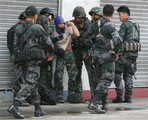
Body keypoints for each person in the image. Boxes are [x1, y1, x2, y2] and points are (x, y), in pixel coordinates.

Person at [7, 5, 54, 119]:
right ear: (35, 15)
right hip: (33, 59)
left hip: (22, 60)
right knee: (31, 83)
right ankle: (15, 105)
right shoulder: (37, 27)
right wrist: (50, 52)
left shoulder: (18, 28)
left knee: (34, 84)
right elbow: (48, 42)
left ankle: (38, 108)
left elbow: (15, 46)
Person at [87, 4, 122, 114]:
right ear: (112, 13)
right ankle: (94, 102)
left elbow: (85, 36)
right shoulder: (110, 26)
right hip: (107, 56)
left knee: (100, 79)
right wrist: (115, 52)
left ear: (103, 13)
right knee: (106, 79)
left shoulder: (95, 24)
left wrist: (93, 47)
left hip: (95, 56)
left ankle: (104, 104)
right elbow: (118, 41)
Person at [112, 6, 141, 103]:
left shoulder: (125, 25)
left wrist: (115, 51)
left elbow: (119, 40)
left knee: (117, 73)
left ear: (125, 14)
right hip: (133, 55)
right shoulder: (136, 25)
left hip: (124, 55)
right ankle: (128, 97)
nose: (119, 17)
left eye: (120, 14)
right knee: (128, 75)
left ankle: (120, 96)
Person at [54, 16, 80, 103]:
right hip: (60, 55)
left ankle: (71, 94)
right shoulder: (53, 32)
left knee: (73, 75)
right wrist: (56, 50)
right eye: (60, 23)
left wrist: (72, 24)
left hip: (69, 54)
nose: (62, 25)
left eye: (63, 23)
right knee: (58, 75)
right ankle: (59, 95)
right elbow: (50, 43)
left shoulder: (67, 28)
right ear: (56, 24)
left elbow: (77, 34)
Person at [71, 6, 94, 102]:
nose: (77, 19)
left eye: (79, 18)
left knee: (91, 74)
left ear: (83, 17)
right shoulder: (73, 23)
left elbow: (91, 40)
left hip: (87, 52)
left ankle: (94, 96)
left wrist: (88, 52)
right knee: (77, 74)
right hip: (77, 52)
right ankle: (78, 96)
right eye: (76, 18)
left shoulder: (89, 24)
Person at [83, 7, 102, 97]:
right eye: (92, 15)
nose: (92, 17)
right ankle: (95, 96)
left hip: (100, 55)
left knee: (99, 77)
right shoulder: (93, 25)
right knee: (94, 76)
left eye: (94, 14)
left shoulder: (100, 25)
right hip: (94, 54)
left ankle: (97, 97)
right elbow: (86, 39)